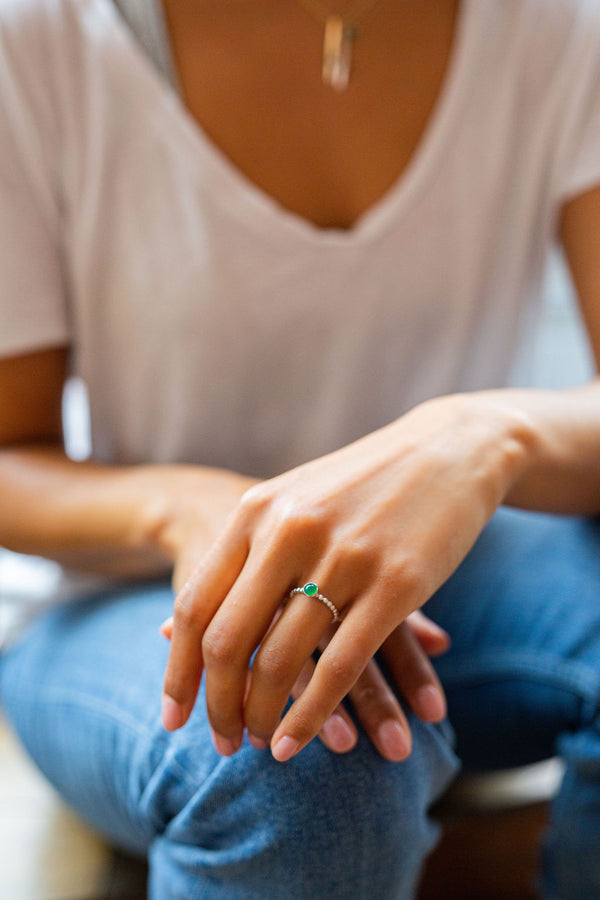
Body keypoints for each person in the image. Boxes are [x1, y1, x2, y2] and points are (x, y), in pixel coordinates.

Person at [1, 0, 600, 896]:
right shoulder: (40, 36)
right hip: (127, 595)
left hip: (449, 584)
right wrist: (195, 512)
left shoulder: (557, 27)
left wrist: (478, 438)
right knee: (294, 759)